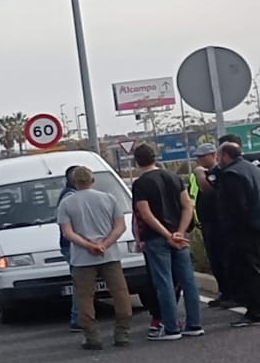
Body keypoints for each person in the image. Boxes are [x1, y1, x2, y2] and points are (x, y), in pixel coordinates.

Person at [130, 143, 203, 340]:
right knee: (188, 281)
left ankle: (171, 327)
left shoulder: (141, 184)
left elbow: (145, 215)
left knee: (164, 283)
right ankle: (194, 324)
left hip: (157, 238)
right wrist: (178, 232)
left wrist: (166, 235)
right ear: (156, 157)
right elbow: (188, 206)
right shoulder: (174, 177)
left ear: (136, 161)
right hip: (180, 237)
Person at [57, 166, 133, 349]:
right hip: (110, 254)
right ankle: (122, 333)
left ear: (74, 182)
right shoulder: (108, 198)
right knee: (120, 294)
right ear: (93, 180)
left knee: (85, 297)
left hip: (82, 258)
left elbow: (68, 233)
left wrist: (89, 245)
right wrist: (104, 244)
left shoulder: (66, 203)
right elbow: (120, 227)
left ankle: (92, 337)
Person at [213, 141, 260, 326]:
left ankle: (255, 312)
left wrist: (232, 232)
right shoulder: (254, 169)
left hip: (245, 231)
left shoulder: (231, 175)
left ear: (226, 155)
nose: (217, 161)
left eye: (218, 157)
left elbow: (237, 207)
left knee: (249, 271)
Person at [190, 143, 233, 308]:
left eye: (202, 156)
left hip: (220, 225)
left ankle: (232, 293)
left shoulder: (218, 172)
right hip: (207, 225)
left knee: (224, 260)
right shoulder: (200, 174)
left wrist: (201, 175)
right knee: (215, 261)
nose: (198, 160)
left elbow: (209, 190)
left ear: (213, 155)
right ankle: (225, 292)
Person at [58, 165, 82, 332]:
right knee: (81, 282)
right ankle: (78, 318)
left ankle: (80, 316)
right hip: (74, 245)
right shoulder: (70, 197)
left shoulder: (69, 194)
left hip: (73, 244)